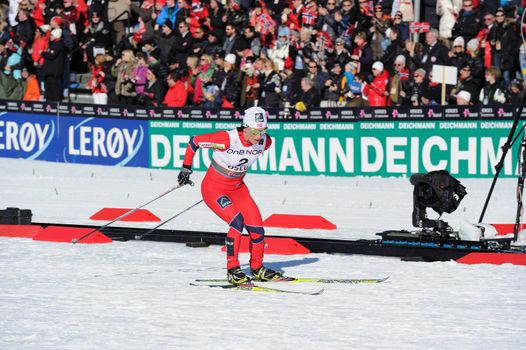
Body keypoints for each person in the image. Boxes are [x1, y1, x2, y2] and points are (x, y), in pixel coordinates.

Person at [177, 106, 282, 285]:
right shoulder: (228, 139)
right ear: (245, 127)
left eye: (263, 130)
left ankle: (257, 268)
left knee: (257, 229)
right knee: (237, 222)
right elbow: (194, 142)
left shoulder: (266, 141)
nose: (259, 136)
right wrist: (186, 168)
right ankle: (233, 269)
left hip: (238, 189)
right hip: (214, 189)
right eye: (255, 131)